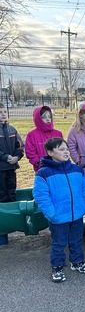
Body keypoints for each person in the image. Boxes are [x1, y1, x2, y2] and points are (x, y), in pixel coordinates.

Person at [33, 138, 85, 283]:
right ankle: (57, 266)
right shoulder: (44, 173)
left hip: (77, 214)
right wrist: (51, 213)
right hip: (58, 216)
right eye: (61, 149)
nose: (66, 152)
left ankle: (77, 262)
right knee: (59, 243)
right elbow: (41, 196)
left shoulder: (77, 170)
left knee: (76, 240)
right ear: (50, 152)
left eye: (66, 149)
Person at [0, 102, 24, 245]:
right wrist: (5, 157)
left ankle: (13, 224)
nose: (3, 114)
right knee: (1, 196)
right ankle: (3, 232)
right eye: (0, 112)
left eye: (4, 111)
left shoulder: (12, 129)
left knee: (11, 194)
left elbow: (20, 145)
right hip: (1, 168)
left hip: (11, 168)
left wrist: (17, 156)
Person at [25, 105, 63, 173]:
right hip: (41, 169)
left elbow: (63, 149)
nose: (48, 119)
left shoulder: (58, 134)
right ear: (38, 119)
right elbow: (30, 152)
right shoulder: (32, 135)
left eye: (50, 117)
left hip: (58, 168)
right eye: (44, 117)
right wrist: (39, 163)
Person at [67, 102, 85, 168]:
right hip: (83, 164)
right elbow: (71, 147)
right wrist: (78, 161)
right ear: (80, 114)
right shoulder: (74, 131)